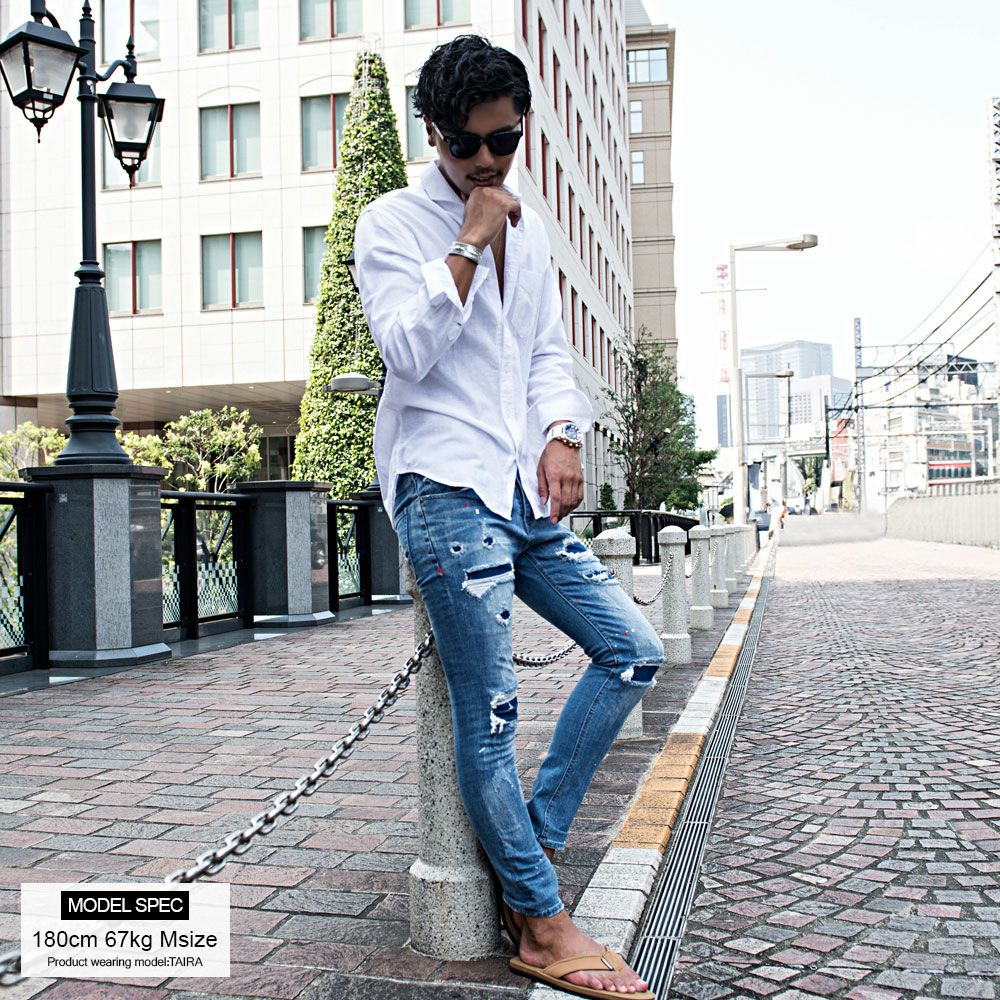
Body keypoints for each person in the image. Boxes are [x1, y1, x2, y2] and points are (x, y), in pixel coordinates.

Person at [354, 34, 661, 1000]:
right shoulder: (392, 224)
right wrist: (468, 240)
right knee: (491, 714)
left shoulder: (532, 237)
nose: (489, 162)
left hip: (520, 494)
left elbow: (544, 356)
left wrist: (563, 434)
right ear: (435, 133)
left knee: (633, 650)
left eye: (506, 140)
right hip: (444, 489)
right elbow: (406, 353)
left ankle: (532, 842)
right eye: (469, 145)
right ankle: (539, 920)